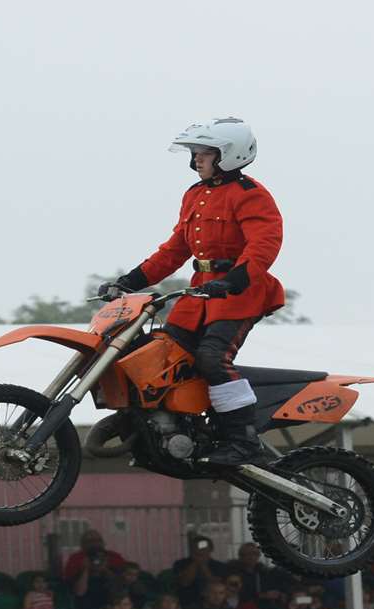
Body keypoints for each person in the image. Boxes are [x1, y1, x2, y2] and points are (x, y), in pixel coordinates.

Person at [99, 118, 283, 466]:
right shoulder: (195, 195)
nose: (196, 159)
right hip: (200, 294)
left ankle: (242, 440)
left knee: (213, 358)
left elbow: (264, 245)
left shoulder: (251, 195)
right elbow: (174, 251)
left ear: (228, 155)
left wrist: (235, 280)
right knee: (160, 355)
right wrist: (129, 282)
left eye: (204, 153)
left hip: (241, 293)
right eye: (195, 153)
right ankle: (170, 428)